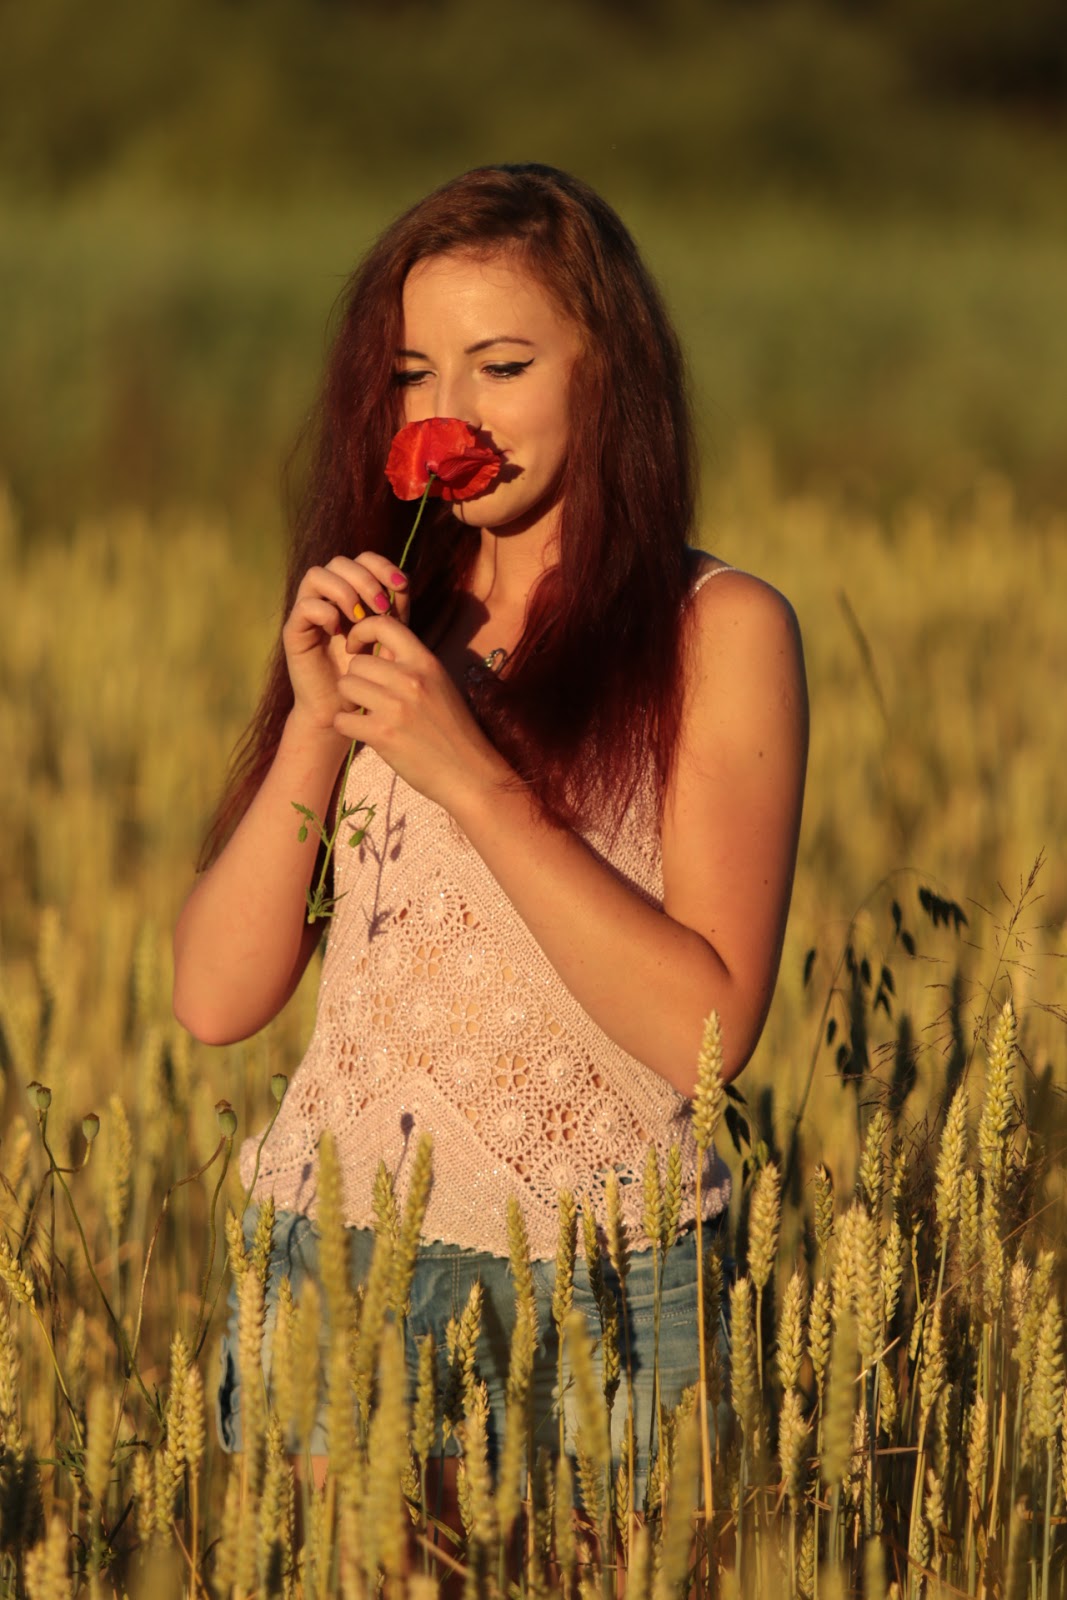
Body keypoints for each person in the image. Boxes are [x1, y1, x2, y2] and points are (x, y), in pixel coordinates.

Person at [172, 163, 807, 1505]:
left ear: (607, 373)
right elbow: (215, 997)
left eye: (502, 365)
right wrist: (314, 717)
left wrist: (474, 776)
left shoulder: (719, 633)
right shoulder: (394, 616)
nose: (448, 415)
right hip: (332, 1261)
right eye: (413, 373)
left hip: (604, 1290)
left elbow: (713, 1027)